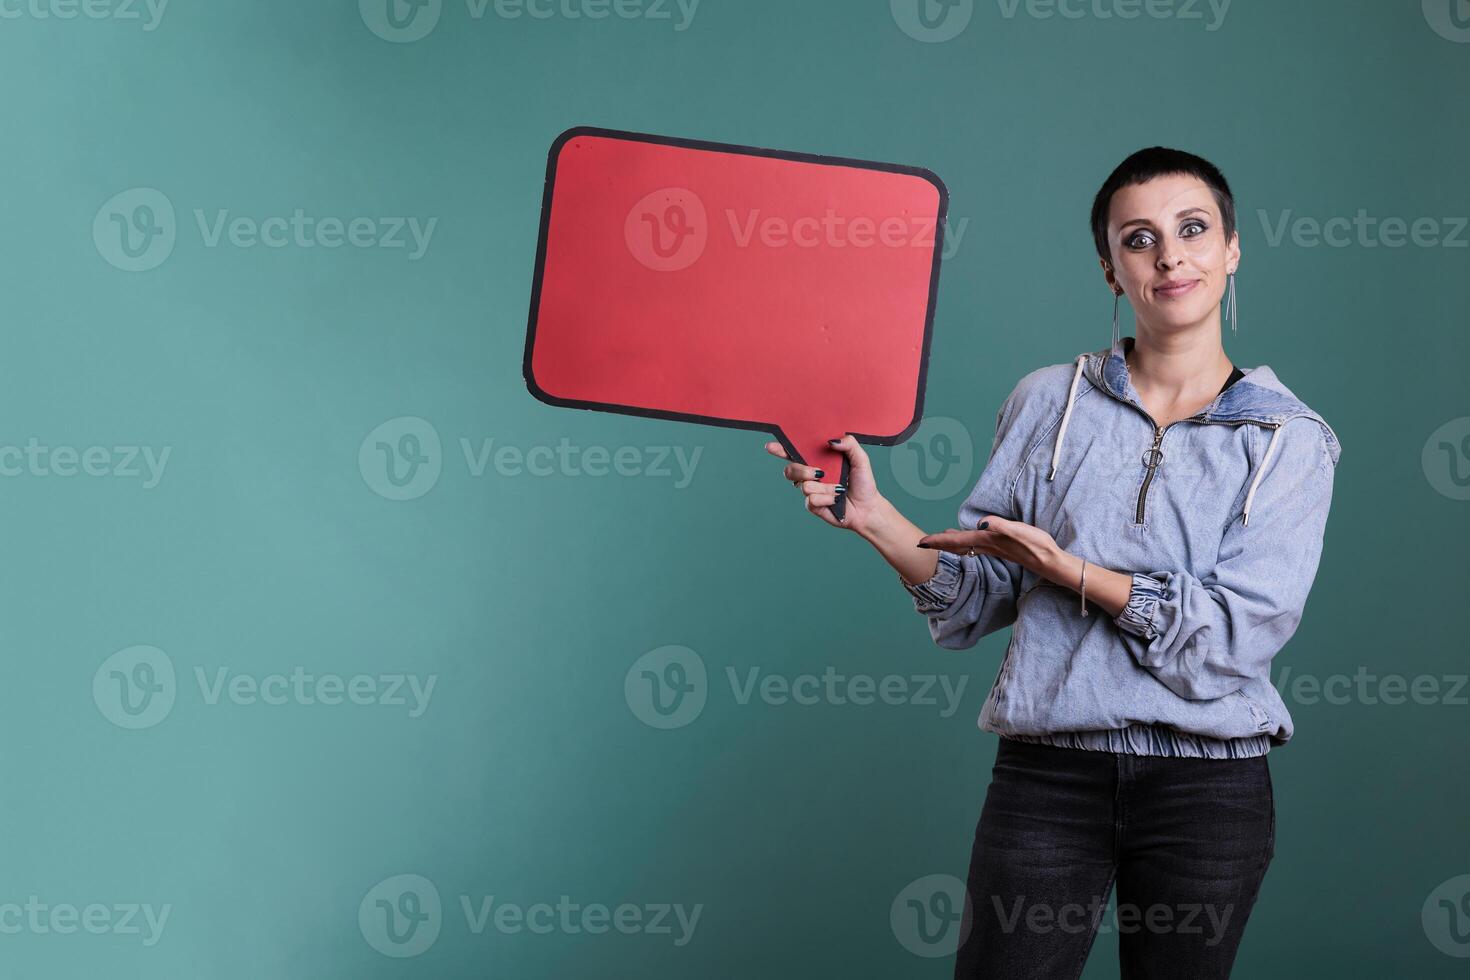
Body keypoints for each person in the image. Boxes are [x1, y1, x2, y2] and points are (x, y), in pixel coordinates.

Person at [765, 146, 1341, 978]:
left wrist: (1073, 572)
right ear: (1111, 269)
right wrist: (878, 520)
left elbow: (1233, 638)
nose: (1170, 255)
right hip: (1048, 778)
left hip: (1207, 793)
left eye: (1193, 229)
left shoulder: (1291, 440)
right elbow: (980, 594)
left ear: (1232, 248)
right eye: (1138, 239)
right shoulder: (1048, 401)